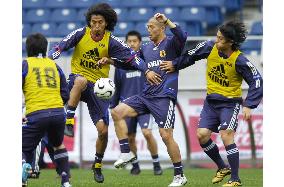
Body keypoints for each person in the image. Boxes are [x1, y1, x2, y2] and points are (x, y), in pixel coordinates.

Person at [48, 3, 160, 183]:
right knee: (80, 81)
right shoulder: (80, 33)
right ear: (90, 22)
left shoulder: (112, 41)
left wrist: (146, 70)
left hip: (99, 88)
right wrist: (53, 54)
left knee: (103, 131)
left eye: (100, 22)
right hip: (78, 81)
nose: (97, 26)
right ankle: (69, 122)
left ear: (106, 23)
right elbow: (60, 46)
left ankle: (97, 165)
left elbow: (132, 58)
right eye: (94, 22)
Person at [160, 21, 263, 186]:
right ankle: (222, 167)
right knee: (202, 135)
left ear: (230, 42)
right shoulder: (209, 47)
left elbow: (257, 81)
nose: (217, 41)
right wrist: (175, 64)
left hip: (230, 103)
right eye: (217, 37)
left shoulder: (240, 60)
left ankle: (235, 179)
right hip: (211, 102)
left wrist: (249, 105)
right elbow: (191, 55)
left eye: (221, 39)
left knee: (226, 134)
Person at [110, 13, 188, 187]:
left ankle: (179, 175)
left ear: (162, 28)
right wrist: (111, 61)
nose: (148, 30)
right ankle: (126, 153)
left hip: (163, 97)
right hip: (145, 96)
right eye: (147, 28)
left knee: (166, 135)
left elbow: (182, 36)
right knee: (116, 112)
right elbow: (131, 63)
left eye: (151, 27)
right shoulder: (145, 47)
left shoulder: (171, 43)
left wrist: (167, 20)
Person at [110, 30, 162, 176]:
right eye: (129, 41)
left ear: (140, 43)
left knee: (147, 133)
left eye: (135, 41)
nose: (132, 44)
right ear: (126, 43)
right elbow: (117, 86)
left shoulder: (145, 61)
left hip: (144, 105)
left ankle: (156, 163)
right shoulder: (121, 65)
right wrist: (113, 105)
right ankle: (135, 165)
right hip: (127, 105)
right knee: (130, 137)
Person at [22, 33, 71, 187]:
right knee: (58, 145)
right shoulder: (54, 65)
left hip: (36, 113)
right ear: (46, 48)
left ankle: (23, 171)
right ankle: (65, 181)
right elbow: (65, 93)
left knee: (21, 146)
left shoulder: (25, 64)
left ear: (27, 48)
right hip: (58, 113)